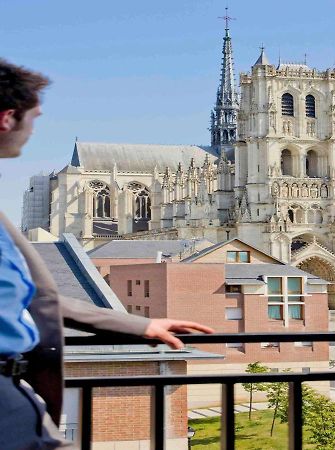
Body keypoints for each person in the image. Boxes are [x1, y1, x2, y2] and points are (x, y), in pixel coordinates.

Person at [0, 59, 214, 450]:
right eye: (34, 117)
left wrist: (135, 326)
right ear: (7, 118)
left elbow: (29, 295)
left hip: (16, 389)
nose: (36, 127)